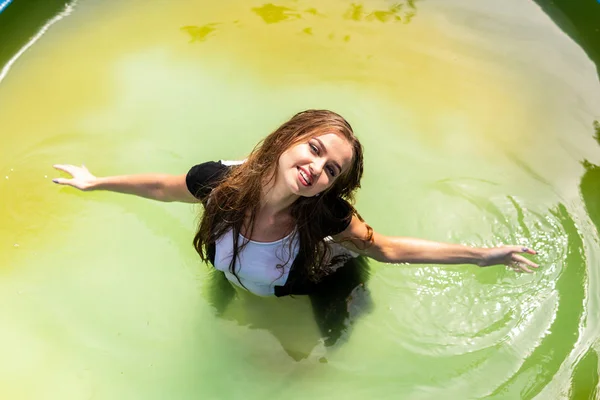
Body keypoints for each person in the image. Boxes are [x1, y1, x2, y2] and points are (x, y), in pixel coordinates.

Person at [52, 109, 538, 346]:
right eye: (315, 149)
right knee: (217, 311)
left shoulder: (326, 216)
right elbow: (162, 186)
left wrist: (482, 254)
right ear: (289, 139)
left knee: (317, 352)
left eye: (332, 171)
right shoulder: (218, 182)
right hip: (238, 273)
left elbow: (385, 249)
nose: (317, 168)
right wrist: (96, 182)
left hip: (316, 282)